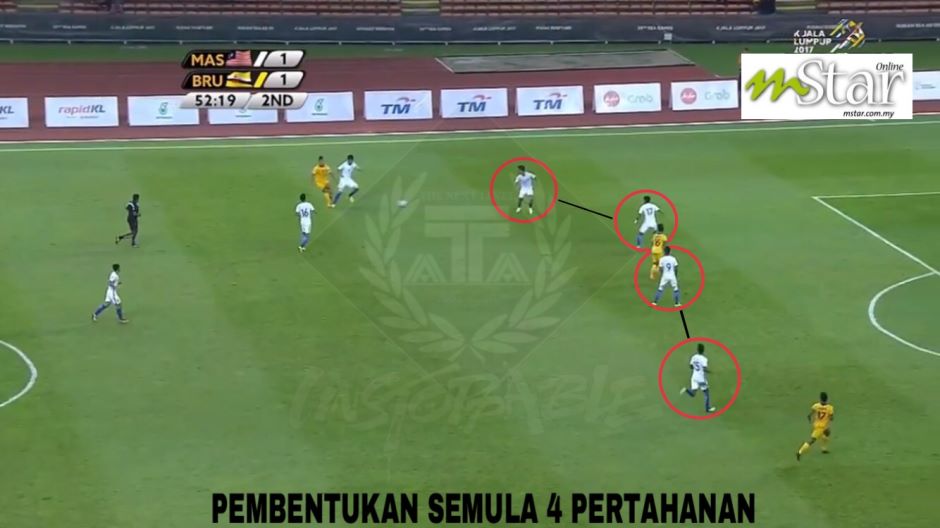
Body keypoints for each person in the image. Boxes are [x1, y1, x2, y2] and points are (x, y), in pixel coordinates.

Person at [797, 392, 835, 461]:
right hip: (822, 427)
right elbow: (831, 418)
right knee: (812, 440)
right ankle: (800, 452)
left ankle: (824, 449)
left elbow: (810, 415)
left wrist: (810, 419)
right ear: (827, 399)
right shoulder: (830, 408)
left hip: (817, 425)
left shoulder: (816, 406)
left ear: (820, 399)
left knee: (827, 433)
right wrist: (829, 418)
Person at [679, 343, 716, 413]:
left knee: (693, 393)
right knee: (706, 393)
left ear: (697, 350)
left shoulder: (694, 357)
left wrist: (696, 368)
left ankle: (686, 390)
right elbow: (704, 369)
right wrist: (710, 372)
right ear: (703, 350)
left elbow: (690, 366)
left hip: (694, 377)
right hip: (701, 379)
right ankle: (707, 408)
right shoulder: (704, 359)